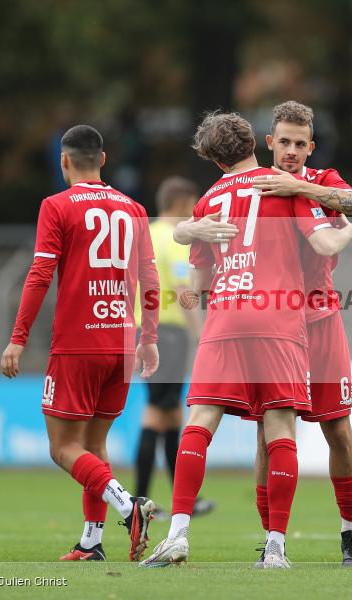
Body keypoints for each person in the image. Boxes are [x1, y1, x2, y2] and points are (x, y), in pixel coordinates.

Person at [142, 111, 352, 569]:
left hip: (224, 317)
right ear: (257, 144)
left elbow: (195, 286)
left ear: (215, 160)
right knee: (279, 427)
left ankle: (178, 534)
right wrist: (347, 230)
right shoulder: (281, 184)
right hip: (280, 317)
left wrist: (189, 232)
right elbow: (324, 245)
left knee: (199, 422)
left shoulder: (208, 200)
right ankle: (276, 547)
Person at [0, 124, 160, 562]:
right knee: (95, 444)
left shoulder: (56, 206)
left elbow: (39, 275)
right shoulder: (134, 208)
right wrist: (149, 338)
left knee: (63, 447)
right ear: (104, 160)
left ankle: (129, 507)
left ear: (64, 161)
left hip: (78, 343)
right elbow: (150, 277)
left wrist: (17, 339)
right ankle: (91, 541)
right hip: (122, 343)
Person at [133, 176, 212, 517]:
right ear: (181, 204)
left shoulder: (145, 234)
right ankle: (139, 501)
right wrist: (202, 333)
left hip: (144, 328)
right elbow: (184, 290)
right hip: (168, 331)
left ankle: (179, 500)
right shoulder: (174, 238)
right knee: (157, 413)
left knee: (170, 413)